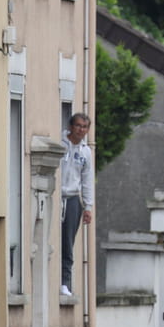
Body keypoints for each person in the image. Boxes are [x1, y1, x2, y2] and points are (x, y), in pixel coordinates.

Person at [60, 112, 94, 297]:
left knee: (68, 241)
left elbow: (87, 180)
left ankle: (65, 282)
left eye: (85, 127)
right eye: (78, 125)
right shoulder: (61, 143)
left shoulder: (85, 152)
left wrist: (88, 207)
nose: (81, 130)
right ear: (71, 126)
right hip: (57, 195)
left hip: (73, 198)